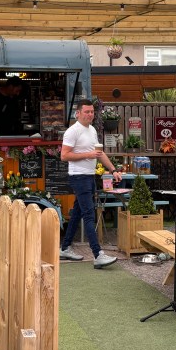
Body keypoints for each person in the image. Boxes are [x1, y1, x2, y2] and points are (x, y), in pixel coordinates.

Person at [59, 99, 121, 268]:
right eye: (86, 112)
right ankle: (98, 255)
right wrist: (88, 154)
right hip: (79, 177)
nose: (90, 114)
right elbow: (64, 155)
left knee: (78, 213)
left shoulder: (92, 130)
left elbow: (99, 154)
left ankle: (65, 248)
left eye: (92, 112)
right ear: (78, 113)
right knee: (89, 215)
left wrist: (113, 170)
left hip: (89, 176)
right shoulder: (72, 131)